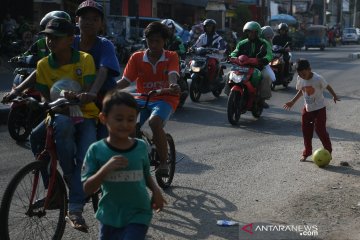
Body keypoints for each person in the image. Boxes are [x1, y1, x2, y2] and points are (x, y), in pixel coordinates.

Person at [30, 17, 98, 232]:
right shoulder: (42, 64)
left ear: (70, 39)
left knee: (84, 156)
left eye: (56, 37)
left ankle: (75, 207)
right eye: (48, 37)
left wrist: (78, 95)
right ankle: (57, 186)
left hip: (85, 115)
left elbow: (87, 91)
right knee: (35, 136)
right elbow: (43, 96)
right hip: (58, 112)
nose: (50, 41)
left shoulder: (85, 59)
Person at [82, 90, 166, 240]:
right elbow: (88, 188)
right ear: (103, 118)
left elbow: (145, 174)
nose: (125, 124)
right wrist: (105, 169)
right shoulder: (96, 150)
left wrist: (156, 191)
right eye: (119, 119)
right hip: (109, 215)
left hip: (139, 213)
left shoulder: (140, 147)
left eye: (131, 119)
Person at [116, 21, 180, 177]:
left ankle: (164, 162)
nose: (153, 44)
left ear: (164, 41)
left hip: (165, 98)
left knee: (154, 122)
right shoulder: (137, 57)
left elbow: (173, 74)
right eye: (150, 40)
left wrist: (173, 85)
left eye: (157, 40)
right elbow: (126, 80)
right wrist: (108, 89)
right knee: (126, 122)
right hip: (142, 98)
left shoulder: (171, 56)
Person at [73, 0, 121, 139]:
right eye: (85, 18)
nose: (89, 22)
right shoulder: (70, 42)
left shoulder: (105, 45)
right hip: (77, 96)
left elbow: (103, 70)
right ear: (77, 20)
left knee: (102, 136)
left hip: (103, 97)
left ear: (101, 24)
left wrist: (92, 92)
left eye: (95, 19)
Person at [283, 58, 340, 162]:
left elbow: (327, 86)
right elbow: (302, 90)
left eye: (304, 74)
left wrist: (334, 96)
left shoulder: (318, 79)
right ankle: (307, 152)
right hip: (307, 109)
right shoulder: (300, 79)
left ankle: (328, 151)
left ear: (309, 69)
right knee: (306, 131)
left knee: (320, 130)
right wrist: (292, 101)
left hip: (319, 109)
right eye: (299, 74)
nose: (302, 76)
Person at [230, 21, 273, 108]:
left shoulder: (264, 43)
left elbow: (269, 54)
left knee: (266, 76)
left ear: (258, 33)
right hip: (242, 67)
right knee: (229, 75)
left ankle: (262, 99)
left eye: (254, 32)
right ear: (246, 32)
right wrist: (231, 56)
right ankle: (230, 93)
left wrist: (264, 59)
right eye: (249, 32)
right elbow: (235, 52)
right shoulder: (242, 43)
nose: (251, 34)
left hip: (258, 67)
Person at [192, 19, 226, 86]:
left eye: (210, 26)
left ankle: (211, 80)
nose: (208, 28)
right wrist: (192, 48)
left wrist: (217, 50)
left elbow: (223, 48)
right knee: (192, 62)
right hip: (203, 56)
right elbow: (196, 45)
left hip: (214, 56)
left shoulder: (218, 38)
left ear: (213, 28)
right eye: (207, 26)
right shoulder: (202, 36)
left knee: (212, 65)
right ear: (204, 27)